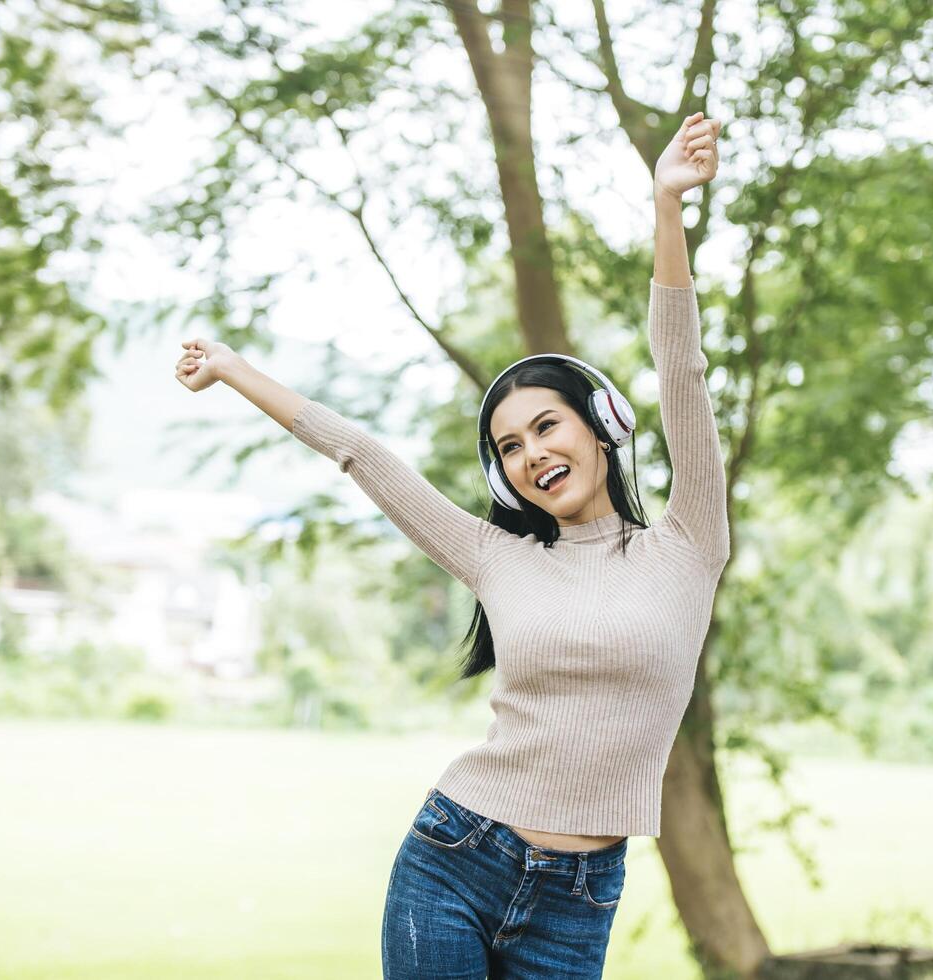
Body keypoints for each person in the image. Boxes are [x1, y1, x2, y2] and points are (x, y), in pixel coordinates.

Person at [174, 111, 728, 979]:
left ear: (602, 426)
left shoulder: (689, 544)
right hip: (453, 857)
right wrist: (234, 368)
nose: (534, 453)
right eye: (511, 447)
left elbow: (681, 367)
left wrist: (667, 206)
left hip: (578, 898)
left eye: (547, 426)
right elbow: (365, 455)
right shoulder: (498, 557)